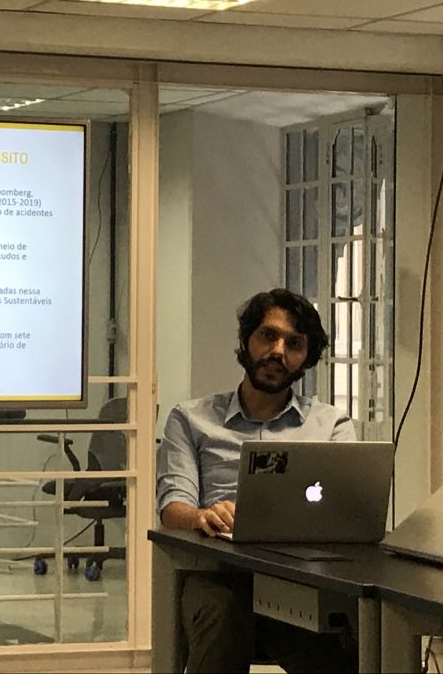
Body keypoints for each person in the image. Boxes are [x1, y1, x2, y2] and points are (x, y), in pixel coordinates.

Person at [156, 288, 358, 673]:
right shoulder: (190, 419)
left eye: (294, 343)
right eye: (268, 336)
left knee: (350, 635)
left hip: (302, 578)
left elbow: (348, 511)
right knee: (223, 614)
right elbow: (172, 508)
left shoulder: (332, 425)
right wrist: (202, 516)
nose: (278, 351)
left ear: (306, 358)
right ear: (247, 341)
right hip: (217, 575)